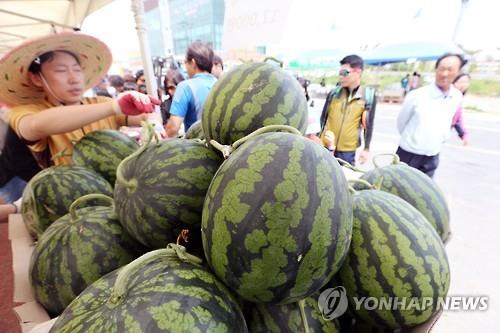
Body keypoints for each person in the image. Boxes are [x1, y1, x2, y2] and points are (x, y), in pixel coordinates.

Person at [0, 32, 159, 168]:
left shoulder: (101, 103)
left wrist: (150, 119)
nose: (74, 78)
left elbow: (143, 117)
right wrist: (114, 107)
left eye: (77, 70)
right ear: (36, 78)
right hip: (73, 200)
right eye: (61, 71)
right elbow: (35, 126)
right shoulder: (25, 112)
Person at [396, 53, 465, 178]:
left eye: (450, 70)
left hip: (432, 154)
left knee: (424, 194)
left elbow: (449, 121)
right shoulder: (417, 95)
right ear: (436, 69)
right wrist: (412, 139)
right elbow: (401, 122)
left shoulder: (456, 96)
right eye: (442, 69)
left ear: (458, 72)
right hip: (408, 153)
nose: (444, 74)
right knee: (399, 191)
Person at [318, 54, 376, 165]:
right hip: (326, 146)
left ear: (358, 72)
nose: (341, 77)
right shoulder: (334, 94)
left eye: (344, 73)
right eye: (339, 73)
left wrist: (366, 148)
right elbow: (323, 118)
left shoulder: (368, 96)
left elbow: (369, 125)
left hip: (347, 151)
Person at [165, 41, 217, 137]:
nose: (185, 66)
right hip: (222, 148)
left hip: (197, 147)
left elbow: (173, 128)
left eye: (185, 62)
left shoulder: (185, 87)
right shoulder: (220, 84)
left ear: (193, 62)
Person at [451, 73, 470, 145]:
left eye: (466, 82)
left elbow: (458, 119)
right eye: (460, 82)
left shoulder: (458, 98)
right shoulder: (447, 96)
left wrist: (464, 135)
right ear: (453, 82)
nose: (463, 85)